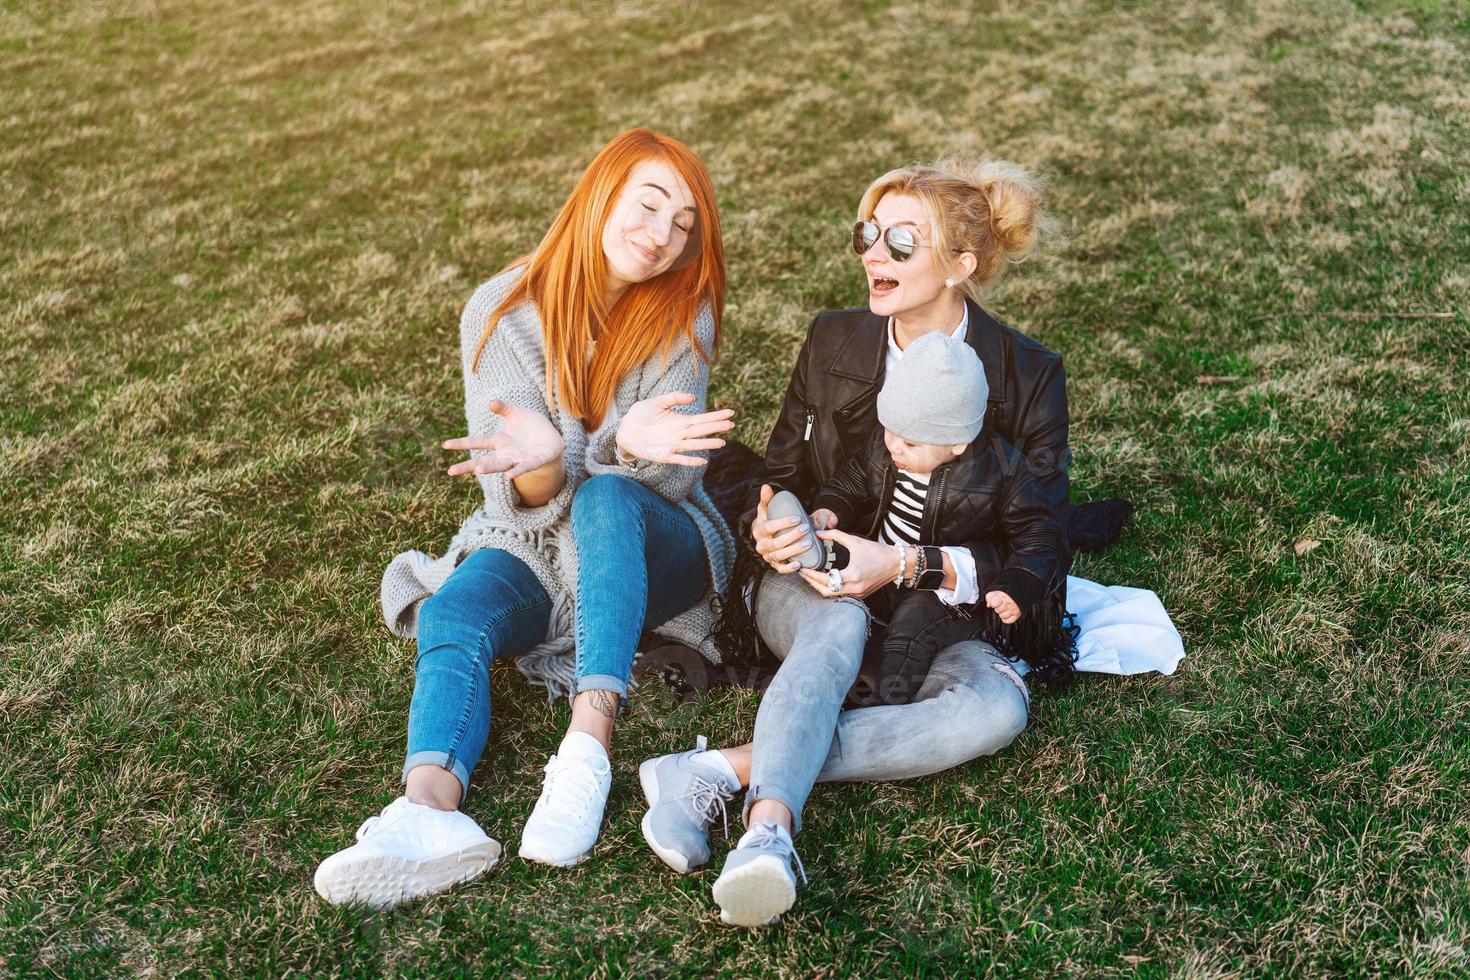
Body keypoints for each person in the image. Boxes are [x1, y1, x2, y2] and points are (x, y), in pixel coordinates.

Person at [636, 158, 1072, 928]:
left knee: (995, 711)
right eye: (868, 234)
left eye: (901, 241)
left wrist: (905, 564)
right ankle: (769, 829)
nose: (874, 254)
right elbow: (779, 473)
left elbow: (1039, 538)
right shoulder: (834, 339)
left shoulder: (1030, 375)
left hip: (944, 609)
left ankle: (710, 770)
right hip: (820, 582)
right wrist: (786, 522)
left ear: (960, 265)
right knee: (837, 620)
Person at [313, 129, 736, 910]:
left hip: (662, 545)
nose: (664, 235)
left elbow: (669, 485)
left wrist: (609, 452)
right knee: (458, 608)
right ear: (599, 196)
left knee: (610, 498)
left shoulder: (685, 314)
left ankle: (588, 747)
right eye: (649, 205)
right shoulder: (501, 310)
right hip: (536, 539)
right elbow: (521, 501)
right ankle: (427, 812)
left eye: (684, 225)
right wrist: (547, 461)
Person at [805, 331, 1065, 709]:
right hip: (883, 559)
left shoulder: (1003, 472)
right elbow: (854, 476)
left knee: (911, 629)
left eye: (910, 443)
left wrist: (1018, 584)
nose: (894, 445)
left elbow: (1039, 535)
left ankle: (885, 704)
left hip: (943, 591)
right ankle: (830, 673)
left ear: (957, 442)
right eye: (890, 430)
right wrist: (831, 506)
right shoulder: (888, 445)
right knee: (834, 583)